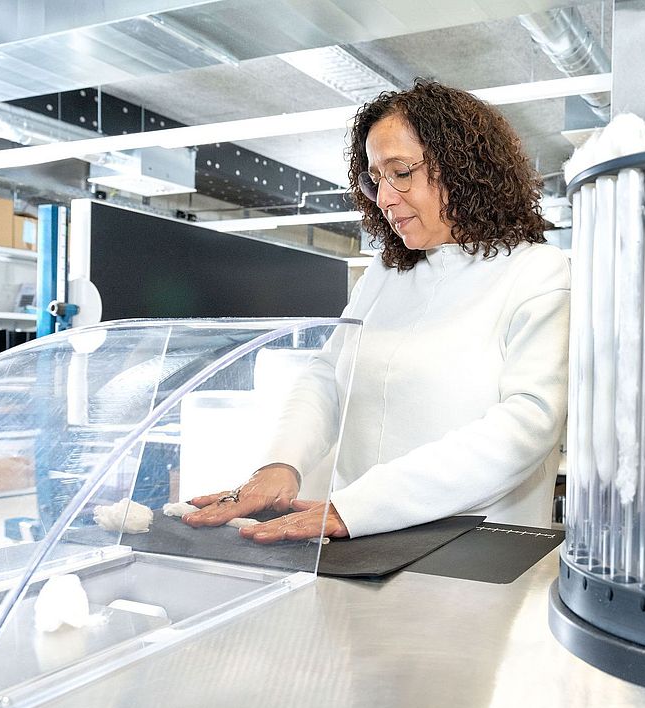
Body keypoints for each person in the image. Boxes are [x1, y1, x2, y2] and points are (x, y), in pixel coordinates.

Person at [183, 80, 570, 543]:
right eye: (375, 178)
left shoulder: (538, 273)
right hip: (361, 542)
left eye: (401, 172)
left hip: (474, 551)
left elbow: (527, 426)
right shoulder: (387, 274)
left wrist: (362, 507)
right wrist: (281, 464)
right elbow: (328, 375)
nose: (384, 198)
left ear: (464, 168)